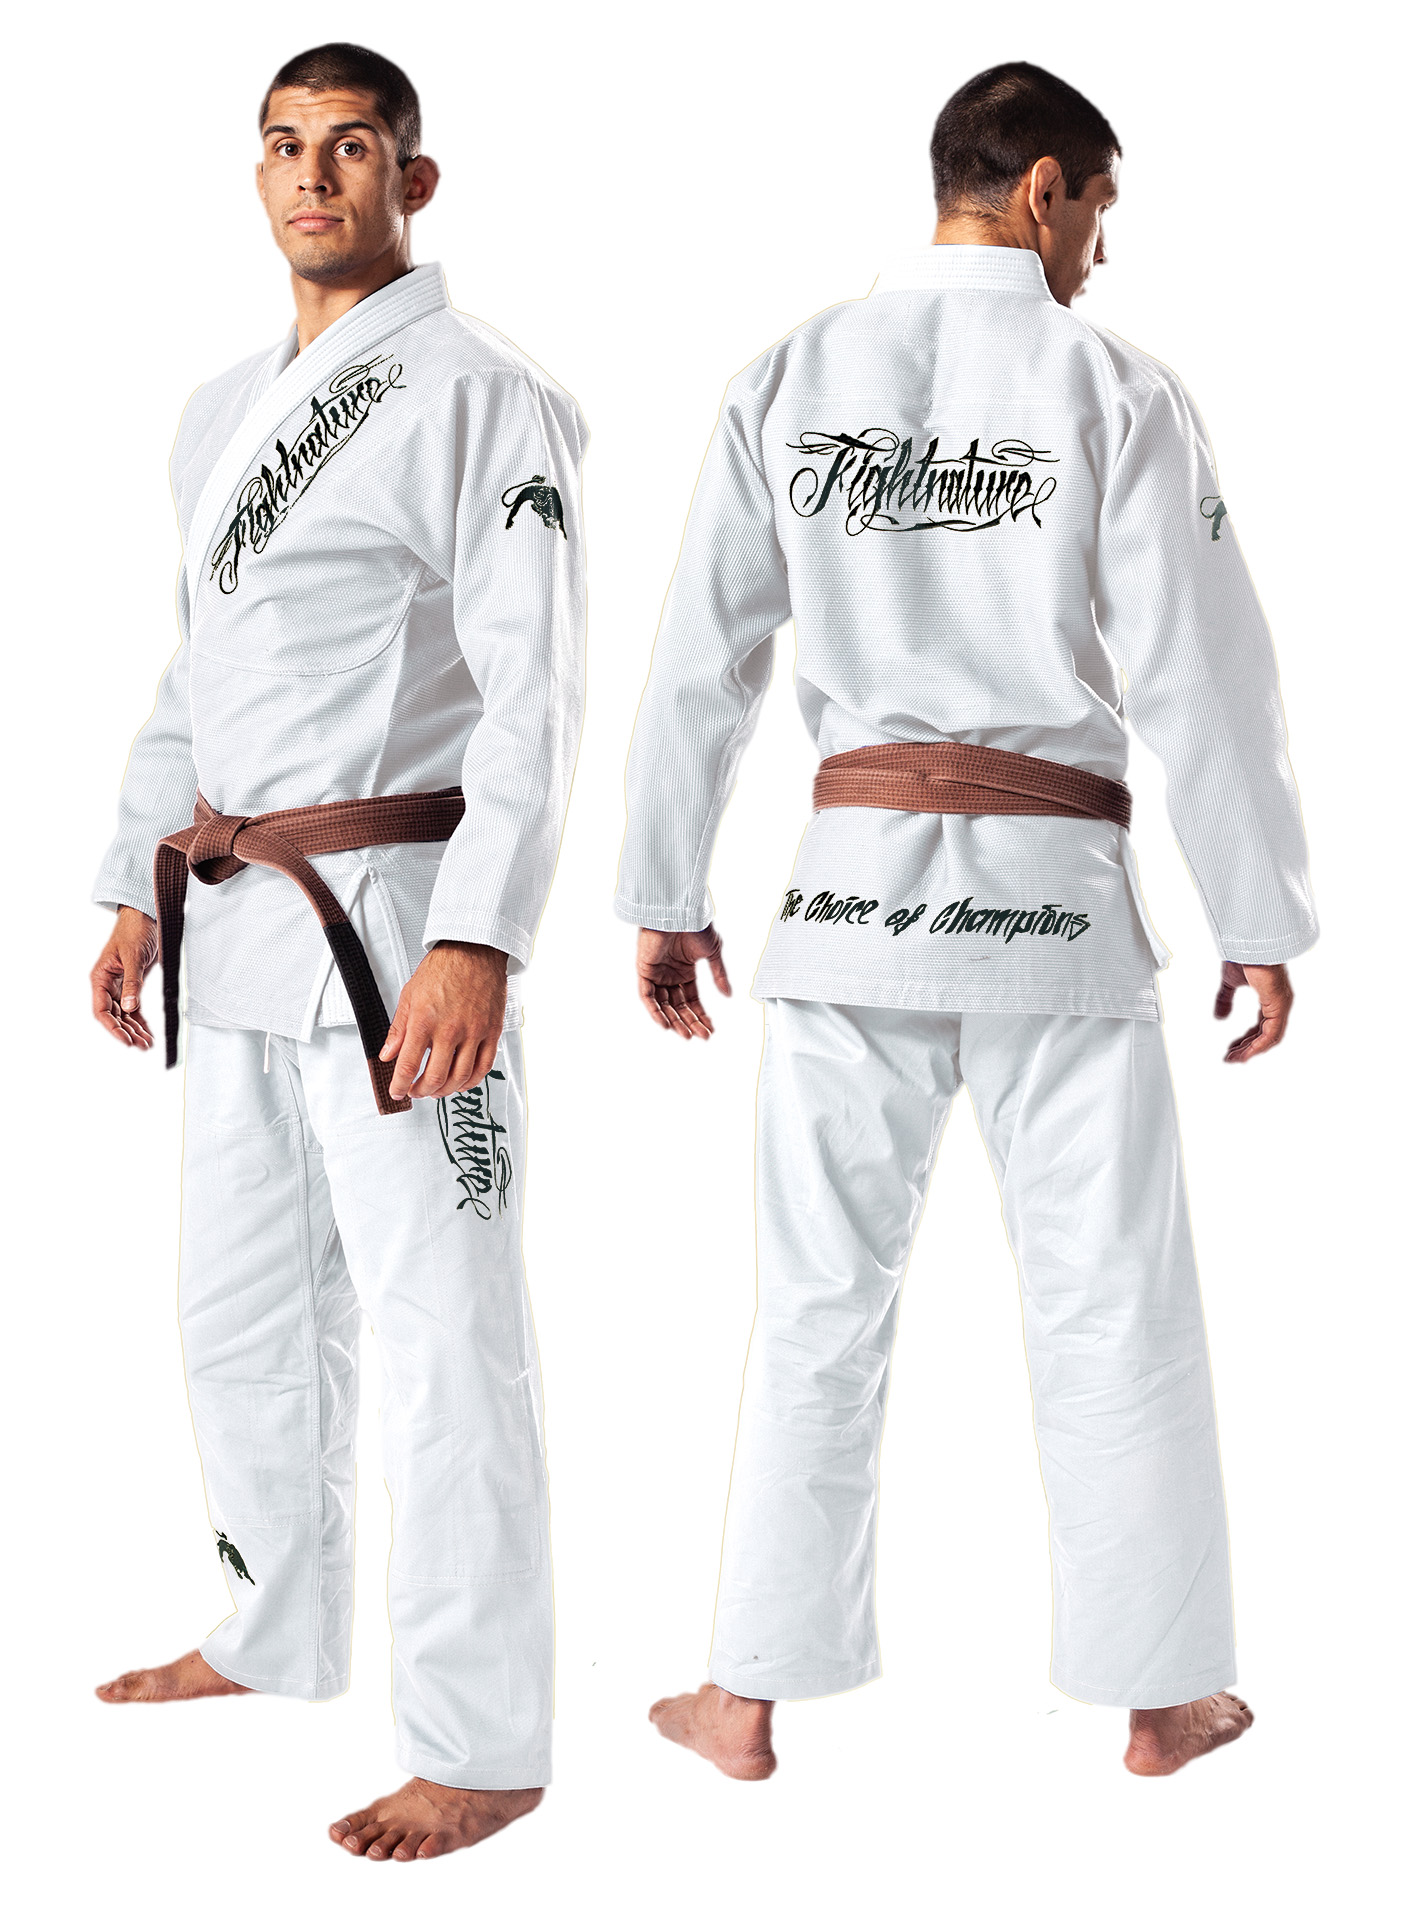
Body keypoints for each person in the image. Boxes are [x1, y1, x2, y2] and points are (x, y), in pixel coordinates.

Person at [615, 61, 1315, 1780]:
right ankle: (1158, 1697)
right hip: (1052, 914)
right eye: (1099, 213)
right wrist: (1255, 911)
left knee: (816, 1304)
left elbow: (699, 658)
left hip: (843, 905)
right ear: (1042, 187)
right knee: (1110, 1299)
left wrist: (662, 890)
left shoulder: (787, 376)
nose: (1099, 254)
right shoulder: (1107, 384)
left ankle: (745, 1696)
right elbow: (1201, 674)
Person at [89, 43, 586, 1860]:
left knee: (445, 1334)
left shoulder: (482, 395)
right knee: (238, 1308)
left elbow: (536, 692)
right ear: (259, 175)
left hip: (392, 924)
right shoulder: (220, 409)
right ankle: (267, 1626)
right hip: (235, 917)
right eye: (286, 147)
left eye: (352, 146)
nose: (314, 176)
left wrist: (481, 940)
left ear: (411, 181)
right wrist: (132, 882)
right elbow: (196, 670)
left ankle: (484, 1740)